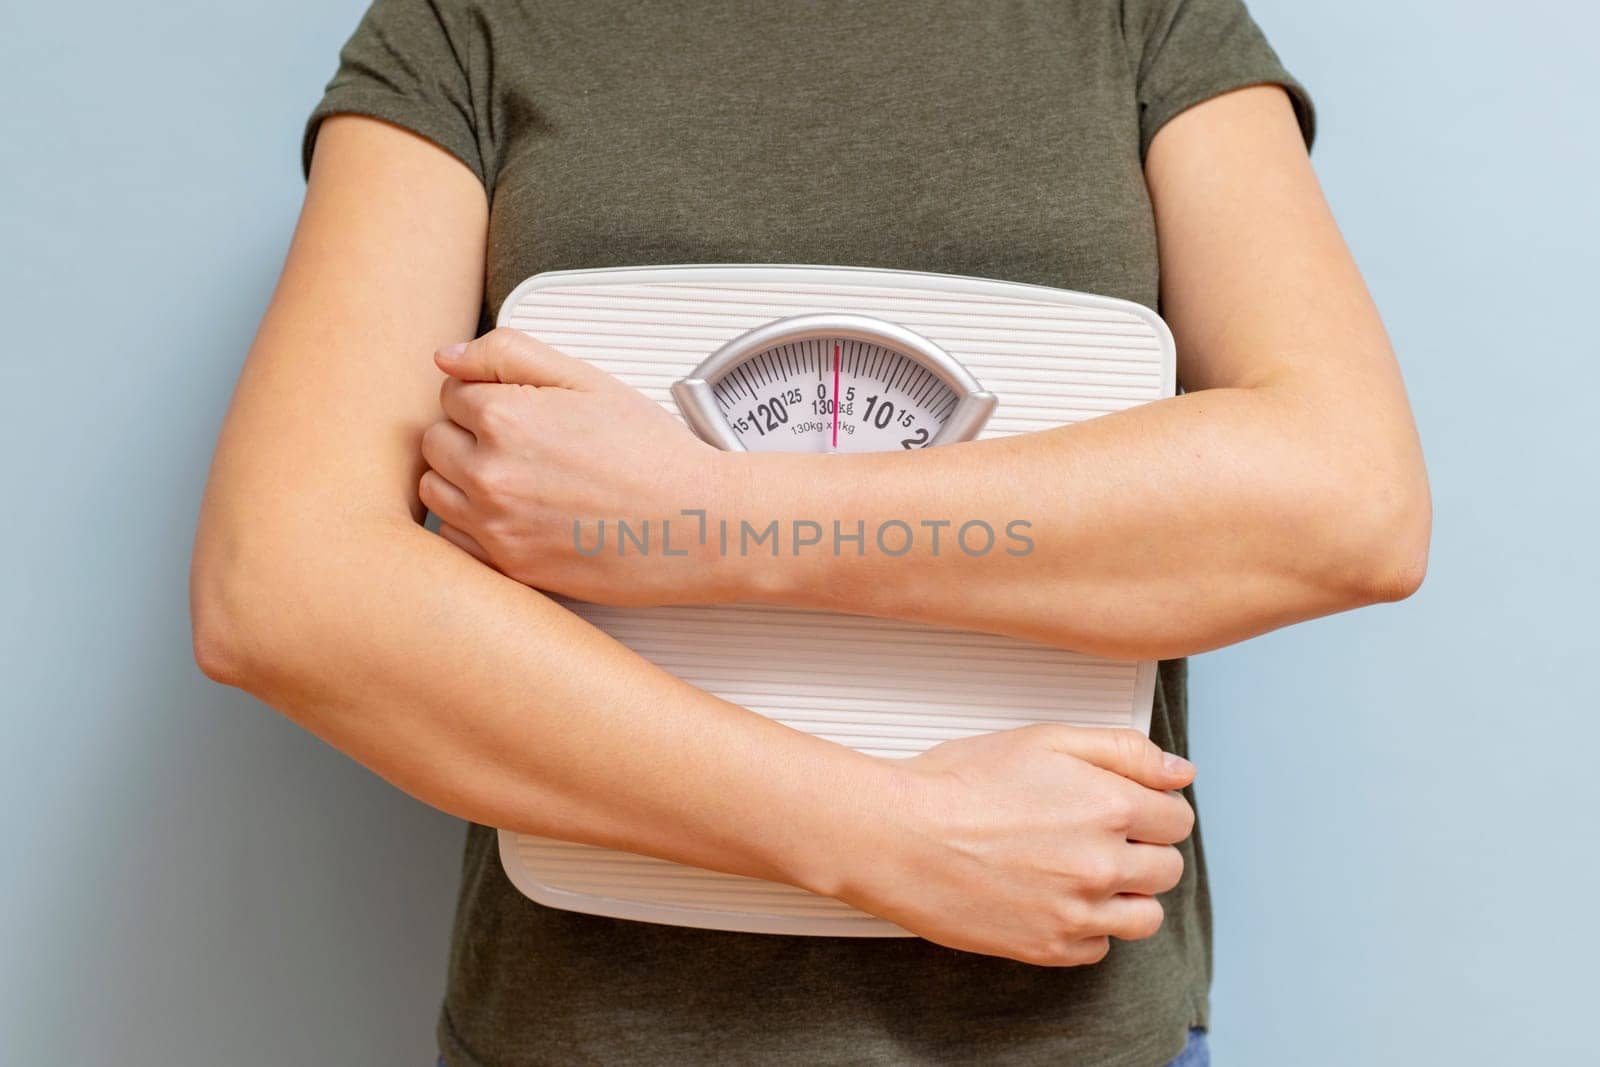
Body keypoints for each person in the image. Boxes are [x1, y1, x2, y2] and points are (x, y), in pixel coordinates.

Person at [189, 2, 1430, 1064]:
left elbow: (1349, 499)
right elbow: (284, 585)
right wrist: (890, 834)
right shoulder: (466, 23)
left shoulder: (1134, 17)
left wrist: (710, 522)